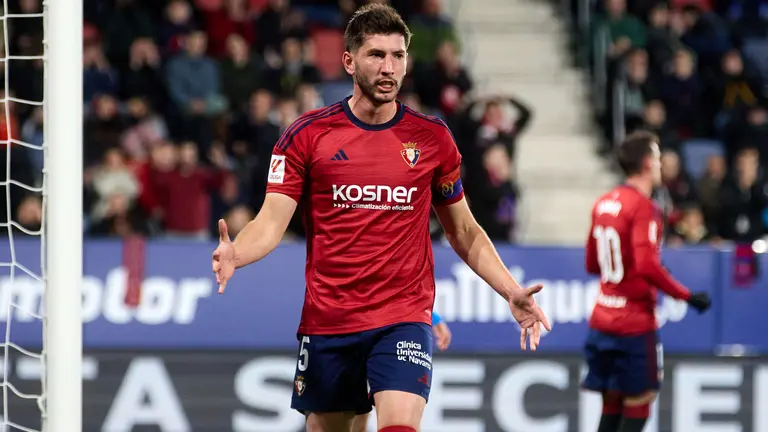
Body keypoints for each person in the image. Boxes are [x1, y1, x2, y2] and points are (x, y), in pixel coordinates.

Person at [211, 4, 550, 432]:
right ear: (349, 61)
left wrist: (510, 291)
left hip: (403, 316)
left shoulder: (432, 139)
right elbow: (270, 222)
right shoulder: (307, 135)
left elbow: (464, 230)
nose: (389, 67)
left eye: (398, 55)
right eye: (376, 55)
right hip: (331, 318)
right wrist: (237, 252)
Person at [582, 130, 712, 432]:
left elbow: (592, 263)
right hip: (634, 324)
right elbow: (646, 266)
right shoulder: (644, 207)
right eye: (656, 156)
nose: (660, 163)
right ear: (645, 164)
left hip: (601, 320)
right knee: (641, 398)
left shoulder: (603, 202)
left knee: (612, 402)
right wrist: (687, 295)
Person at [351, 312, 452, 432]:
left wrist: (432, 315)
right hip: (339, 322)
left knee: (398, 424)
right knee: (352, 412)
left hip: (397, 320)